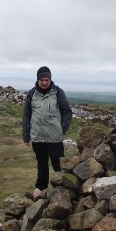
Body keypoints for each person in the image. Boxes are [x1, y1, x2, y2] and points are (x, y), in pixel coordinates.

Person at [22, 66, 73, 199]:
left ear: (50, 80)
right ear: (38, 80)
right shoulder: (31, 94)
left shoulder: (57, 92)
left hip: (55, 137)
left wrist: (61, 128)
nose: (44, 83)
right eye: (42, 80)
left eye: (47, 80)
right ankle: (41, 190)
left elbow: (67, 112)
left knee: (58, 164)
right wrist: (26, 135)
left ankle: (62, 190)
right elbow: (26, 116)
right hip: (38, 137)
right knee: (42, 164)